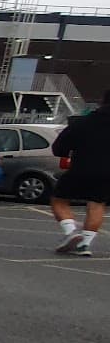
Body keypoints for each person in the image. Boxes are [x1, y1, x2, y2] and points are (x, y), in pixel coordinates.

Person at [51, 93, 110, 256]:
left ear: (102, 102)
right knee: (97, 204)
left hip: (81, 168)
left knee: (59, 200)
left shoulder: (81, 122)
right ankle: (84, 244)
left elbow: (58, 148)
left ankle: (71, 232)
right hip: (107, 174)